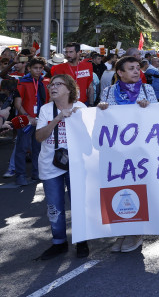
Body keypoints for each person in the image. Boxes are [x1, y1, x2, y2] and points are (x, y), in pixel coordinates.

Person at [97, 56, 153, 252]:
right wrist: (102, 109)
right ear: (120, 72)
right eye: (131, 68)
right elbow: (101, 119)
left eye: (138, 68)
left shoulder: (148, 90)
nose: (137, 71)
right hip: (116, 150)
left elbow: (158, 119)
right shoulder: (108, 91)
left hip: (140, 150)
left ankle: (137, 231)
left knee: (138, 188)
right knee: (118, 188)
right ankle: (122, 230)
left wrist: (149, 109)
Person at [34, 74, 89, 259]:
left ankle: (81, 240)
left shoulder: (80, 107)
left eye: (58, 84)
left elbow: (90, 136)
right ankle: (59, 242)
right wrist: (57, 118)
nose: (53, 87)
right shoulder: (45, 109)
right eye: (51, 85)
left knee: (79, 203)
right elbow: (39, 137)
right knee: (54, 206)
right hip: (50, 164)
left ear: (69, 88)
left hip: (76, 164)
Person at [13, 57, 47, 185]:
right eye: (35, 68)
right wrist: (28, 117)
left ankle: (36, 173)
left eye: (40, 68)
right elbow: (17, 103)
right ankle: (20, 175)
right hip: (26, 121)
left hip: (40, 121)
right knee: (22, 148)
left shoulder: (45, 82)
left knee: (38, 149)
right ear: (29, 68)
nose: (38, 71)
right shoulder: (22, 82)